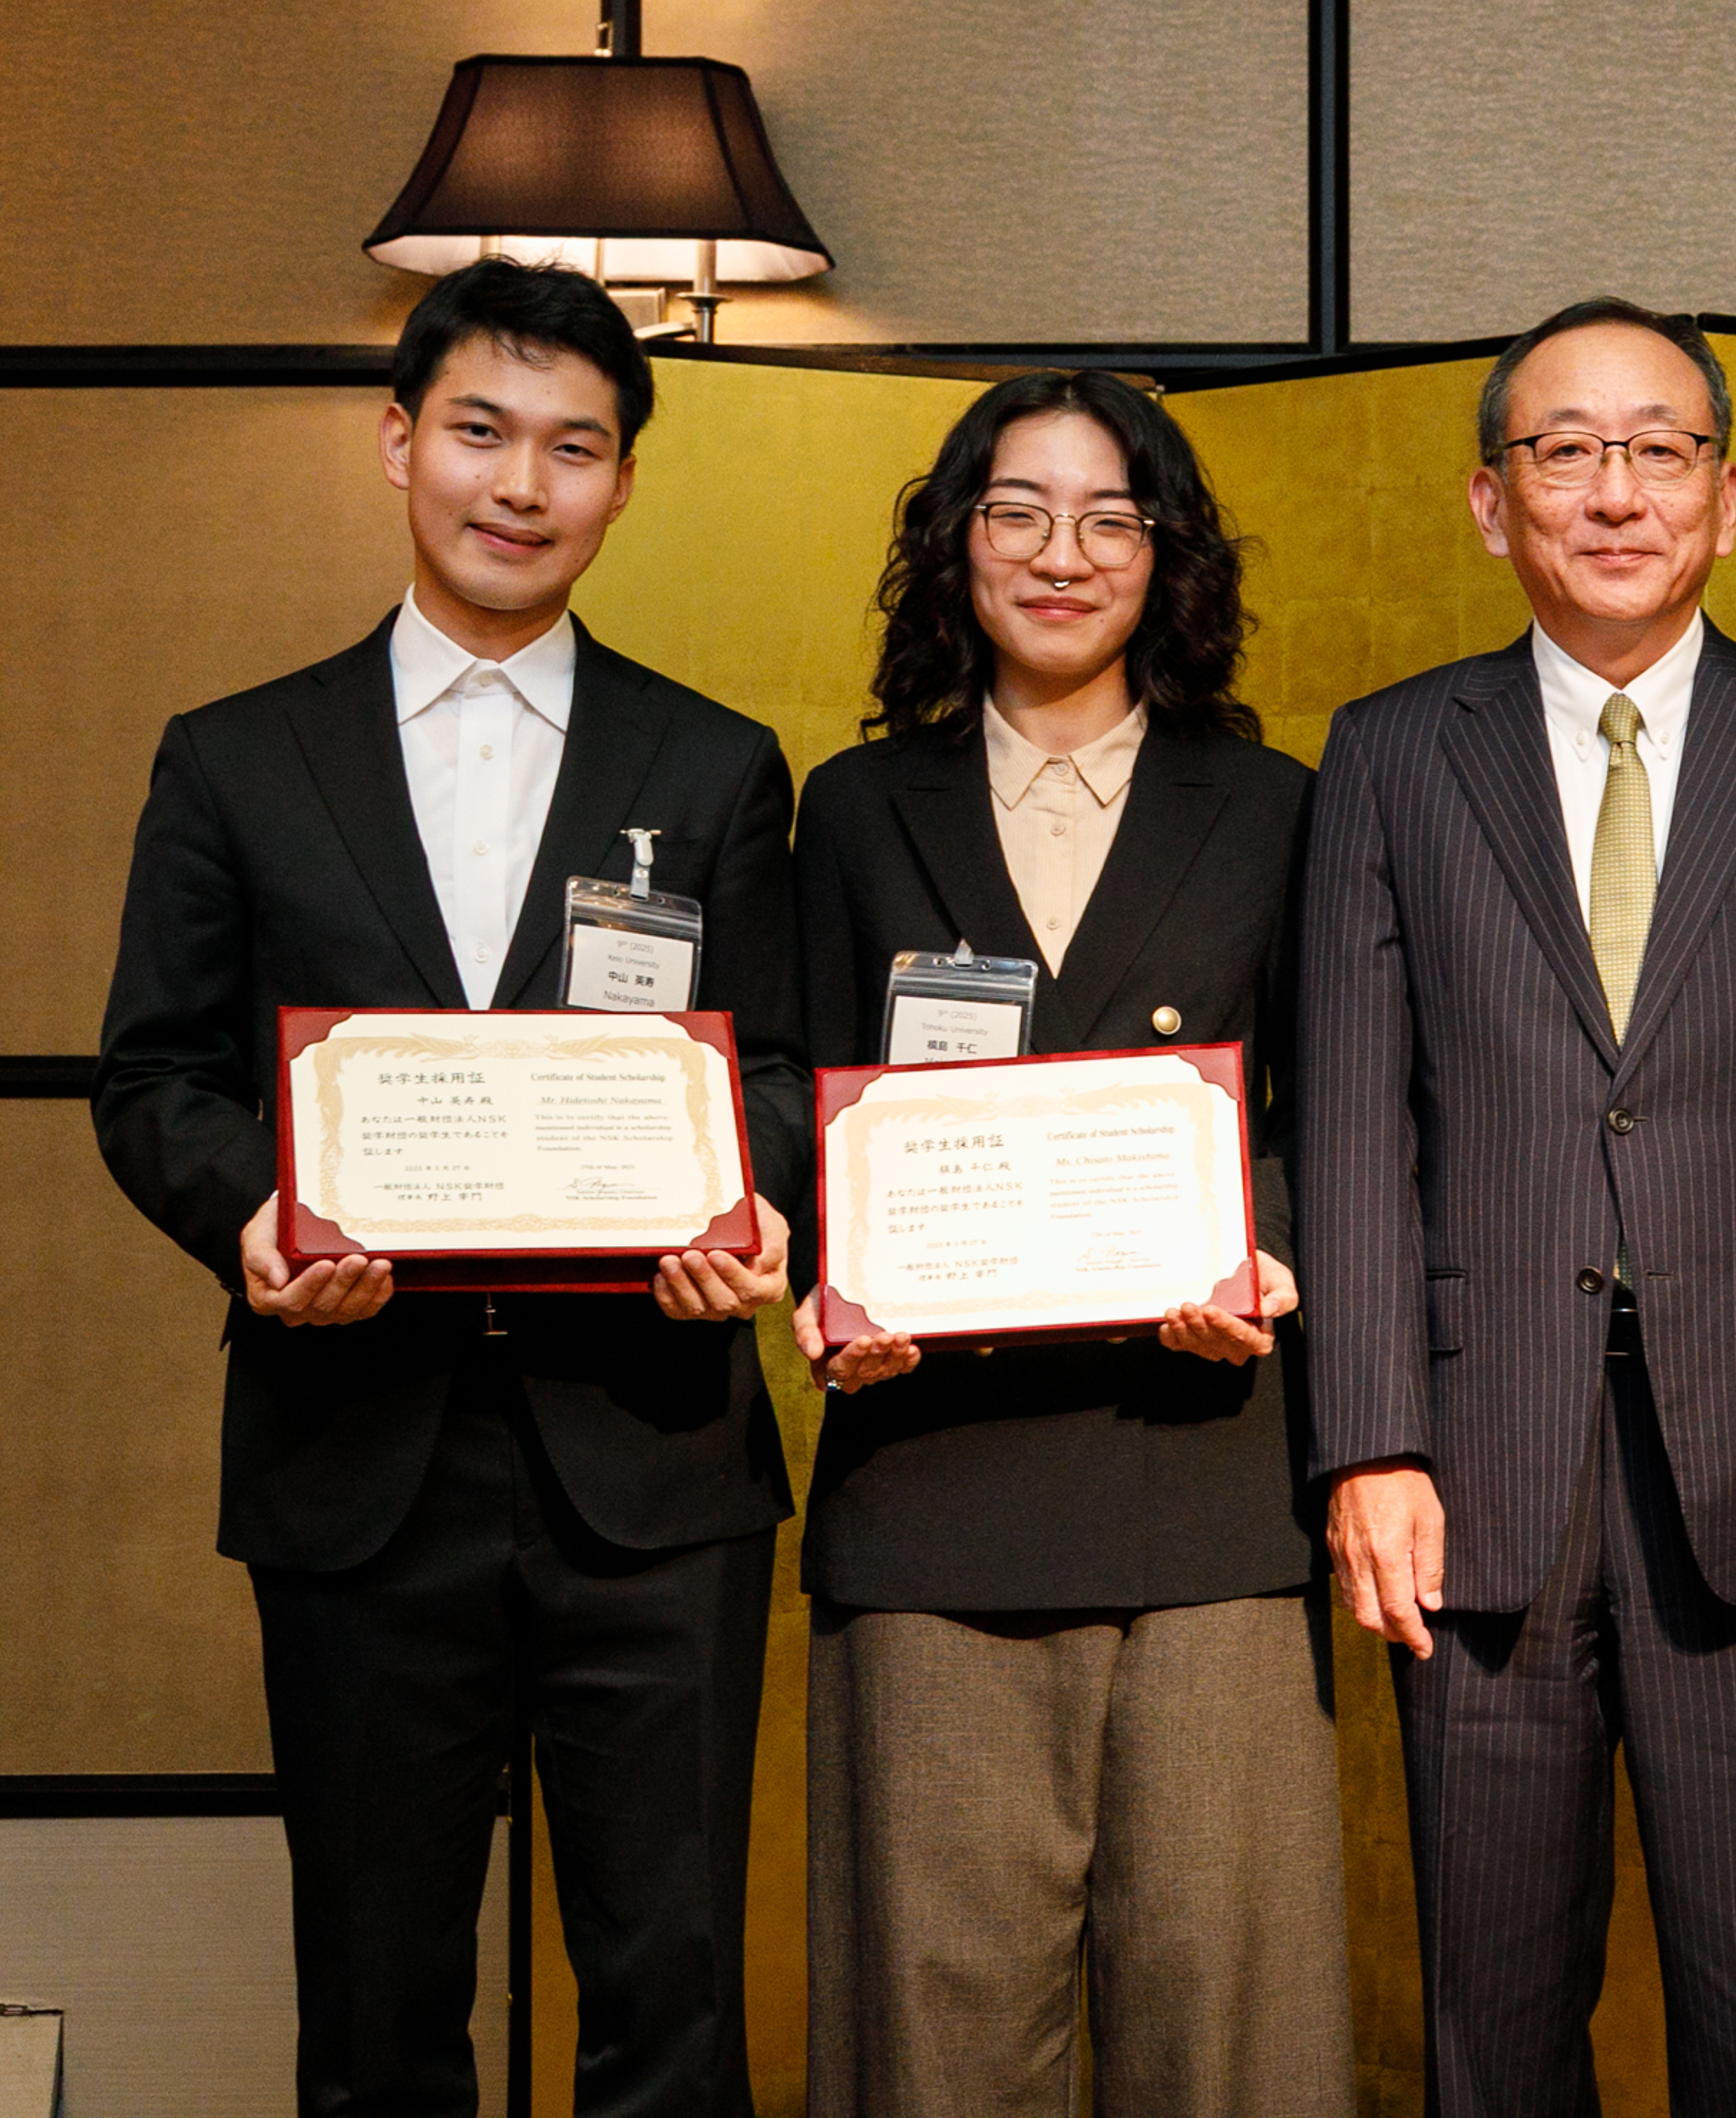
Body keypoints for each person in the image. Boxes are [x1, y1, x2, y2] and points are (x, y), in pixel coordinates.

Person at [91, 259, 806, 2116]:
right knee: (377, 2014)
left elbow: (779, 1077)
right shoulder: (238, 759)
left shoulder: (715, 764)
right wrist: (253, 1215)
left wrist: (753, 1209)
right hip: (356, 1456)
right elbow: (156, 1076)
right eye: (483, 431)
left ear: (624, 482)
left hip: (652, 1463)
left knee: (671, 2006)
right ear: (399, 441)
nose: (521, 484)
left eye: (575, 447)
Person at [1298, 296, 1736, 2116]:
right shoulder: (1391, 754)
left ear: (1727, 498)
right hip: (1472, 1475)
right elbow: (1353, 1123)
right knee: (1494, 2029)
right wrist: (1371, 1442)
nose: (1616, 493)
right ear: (1489, 499)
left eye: (1661, 451)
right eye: (1566, 452)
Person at [785, 370, 1346, 2118]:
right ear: (956, 543)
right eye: (1017, 511)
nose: (1062, 553)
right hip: (930, 1493)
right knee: (934, 2051)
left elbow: (1335, 1105)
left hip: (1208, 1488)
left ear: (1168, 556)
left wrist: (1261, 1249)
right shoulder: (857, 807)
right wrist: (829, 1276)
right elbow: (800, 1090)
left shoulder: (1274, 805)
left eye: (1112, 517)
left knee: (1229, 2046)